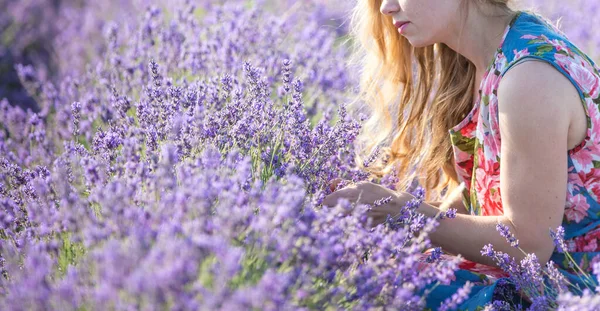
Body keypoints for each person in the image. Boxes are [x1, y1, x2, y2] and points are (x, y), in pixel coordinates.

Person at [322, 0, 600, 309]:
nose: (387, 7)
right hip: (529, 277)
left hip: (573, 290)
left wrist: (400, 210)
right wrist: (401, 228)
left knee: (375, 286)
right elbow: (483, 191)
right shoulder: (492, 54)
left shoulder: (529, 76)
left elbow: (529, 246)